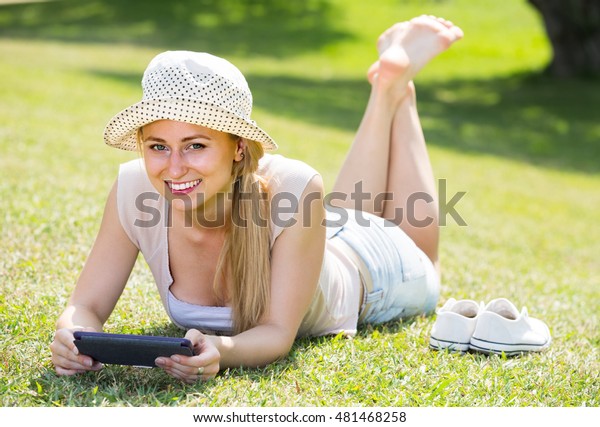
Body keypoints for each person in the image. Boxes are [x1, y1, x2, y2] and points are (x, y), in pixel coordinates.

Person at [50, 15, 463, 383]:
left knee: (425, 261)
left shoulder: (296, 185)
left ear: (238, 148)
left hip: (371, 270)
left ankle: (398, 91)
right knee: (352, 211)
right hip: (316, 237)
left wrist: (223, 351)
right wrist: (69, 335)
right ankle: (389, 84)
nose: (173, 168)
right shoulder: (133, 188)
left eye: (195, 145)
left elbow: (276, 334)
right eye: (158, 146)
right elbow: (85, 305)